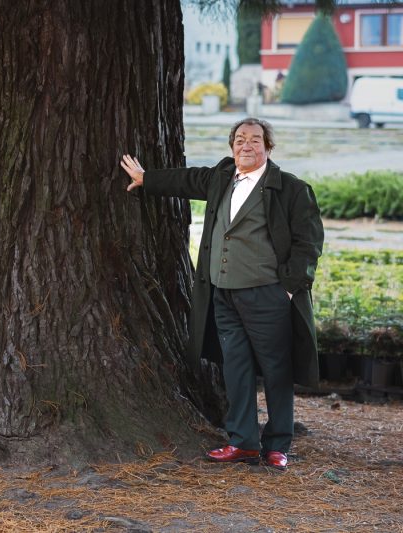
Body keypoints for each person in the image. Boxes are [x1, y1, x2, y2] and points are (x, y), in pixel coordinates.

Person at [120, 118, 323, 471]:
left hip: (267, 296)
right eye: (240, 139)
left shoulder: (291, 189)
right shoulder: (221, 177)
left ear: (268, 148)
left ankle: (277, 444)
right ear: (232, 147)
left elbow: (309, 244)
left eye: (256, 140)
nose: (247, 145)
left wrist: (289, 287)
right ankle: (243, 442)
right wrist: (147, 179)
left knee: (276, 370)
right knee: (236, 369)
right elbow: (187, 180)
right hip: (223, 294)